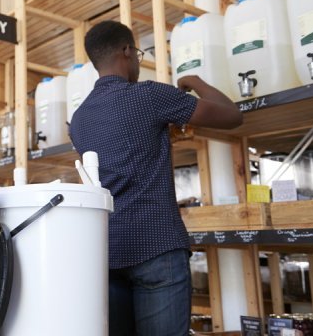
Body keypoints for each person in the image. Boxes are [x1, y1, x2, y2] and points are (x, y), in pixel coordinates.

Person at [69, 20, 243, 336]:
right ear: (126, 51)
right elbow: (231, 115)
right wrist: (197, 81)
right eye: (137, 52)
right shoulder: (149, 95)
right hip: (157, 246)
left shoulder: (78, 119)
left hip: (108, 251)